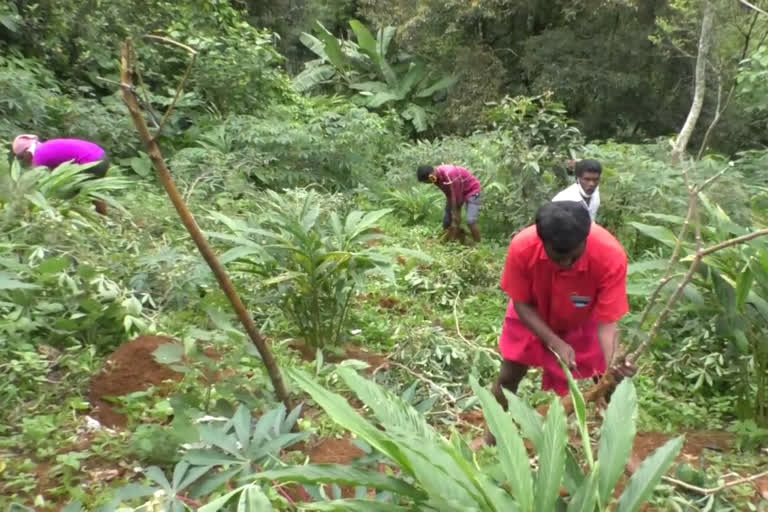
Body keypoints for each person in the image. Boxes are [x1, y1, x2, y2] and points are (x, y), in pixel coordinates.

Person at [483, 201, 634, 445]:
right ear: (543, 243)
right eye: (559, 257)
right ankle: (490, 438)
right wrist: (554, 341)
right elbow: (521, 303)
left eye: (574, 257)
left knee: (609, 379)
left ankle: (616, 446)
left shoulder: (610, 255)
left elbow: (607, 324)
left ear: (586, 238)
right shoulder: (522, 247)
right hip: (533, 313)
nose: (566, 264)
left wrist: (615, 363)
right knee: (509, 376)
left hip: (583, 318)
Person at [11, 134, 110, 215]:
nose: (23, 161)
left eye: (20, 157)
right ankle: (103, 216)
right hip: (100, 155)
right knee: (90, 191)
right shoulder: (44, 147)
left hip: (92, 161)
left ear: (26, 152)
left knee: (71, 192)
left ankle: (101, 217)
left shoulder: (38, 155)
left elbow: (38, 184)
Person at [416, 163, 481, 243]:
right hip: (455, 193)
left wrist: (455, 216)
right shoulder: (435, 179)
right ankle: (448, 239)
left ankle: (477, 245)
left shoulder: (449, 173)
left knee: (470, 221)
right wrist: (453, 215)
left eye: (428, 181)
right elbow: (449, 193)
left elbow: (457, 197)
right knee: (446, 220)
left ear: (431, 175)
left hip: (471, 190)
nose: (430, 183)